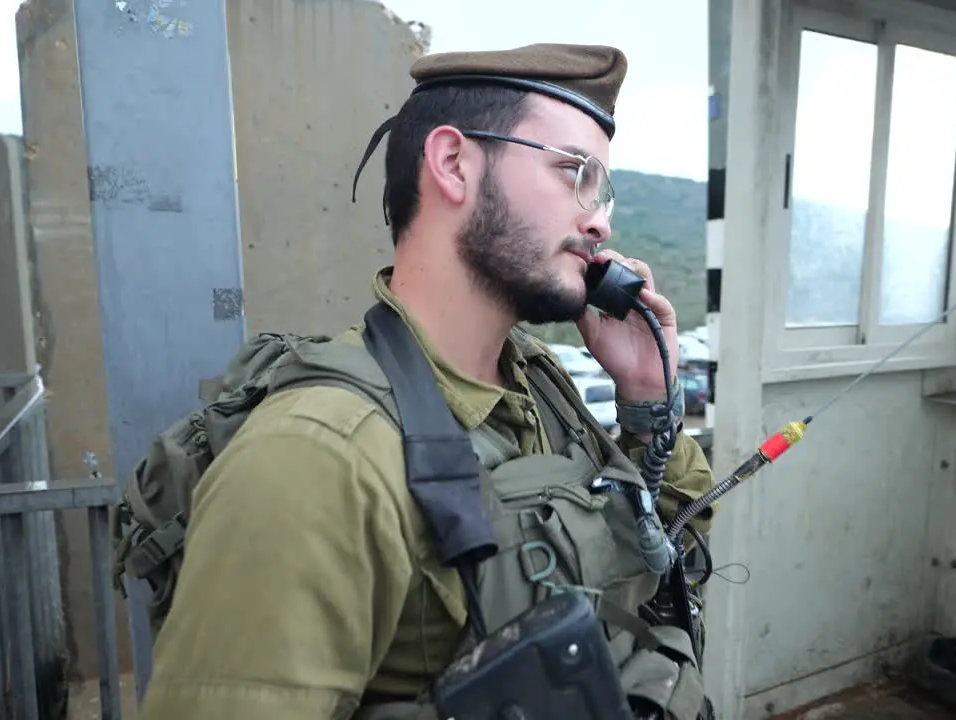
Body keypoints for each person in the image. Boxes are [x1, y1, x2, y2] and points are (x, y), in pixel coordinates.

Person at [137, 42, 718, 719]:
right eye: (573, 173)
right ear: (452, 163)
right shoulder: (316, 458)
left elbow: (664, 562)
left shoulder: (538, 385)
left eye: (603, 189)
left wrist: (649, 399)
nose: (601, 220)